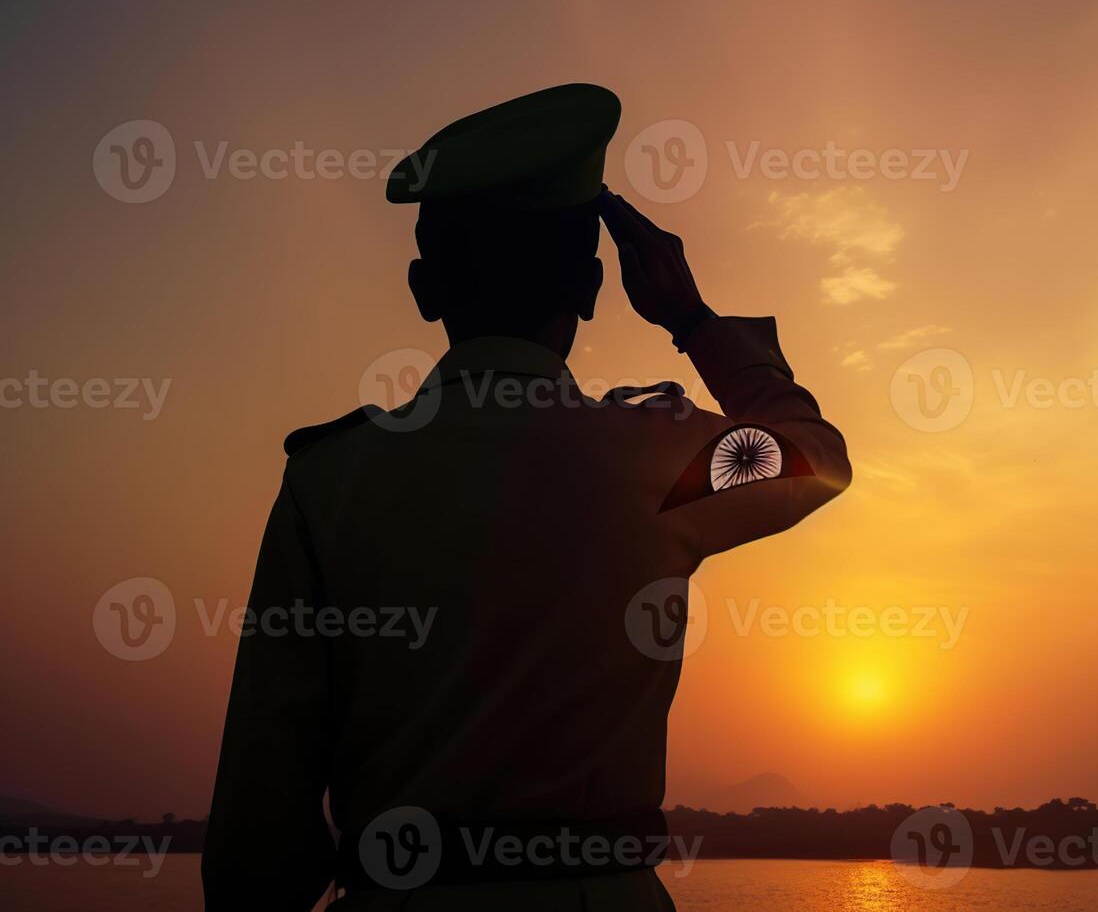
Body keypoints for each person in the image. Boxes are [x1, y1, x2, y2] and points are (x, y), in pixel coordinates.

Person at [201, 84, 852, 910]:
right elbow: (817, 460)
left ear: (424, 289)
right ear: (588, 288)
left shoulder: (328, 483)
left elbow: (260, 824)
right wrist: (690, 318)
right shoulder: (654, 463)